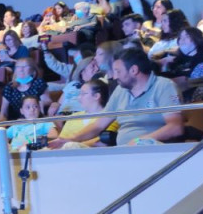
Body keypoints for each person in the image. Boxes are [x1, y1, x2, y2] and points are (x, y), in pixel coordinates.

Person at [50, 48, 183, 147]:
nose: (114, 76)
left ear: (134, 70)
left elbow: (175, 127)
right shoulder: (120, 91)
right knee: (70, 147)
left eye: (118, 71)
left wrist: (139, 141)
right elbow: (99, 125)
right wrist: (71, 139)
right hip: (121, 152)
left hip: (154, 151)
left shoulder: (164, 86)